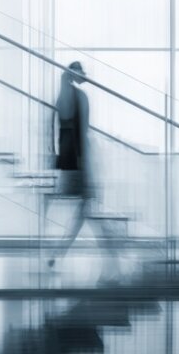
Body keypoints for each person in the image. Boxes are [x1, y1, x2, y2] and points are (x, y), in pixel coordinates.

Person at [45, 62, 122, 283]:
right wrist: (88, 165)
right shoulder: (80, 97)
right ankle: (110, 258)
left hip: (69, 162)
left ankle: (58, 254)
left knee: (84, 214)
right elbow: (83, 133)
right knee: (89, 212)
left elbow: (59, 135)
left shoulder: (62, 98)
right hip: (81, 162)